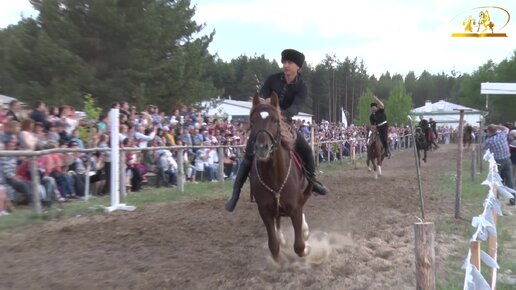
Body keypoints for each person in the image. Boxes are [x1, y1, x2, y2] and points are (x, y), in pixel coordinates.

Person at [225, 48, 328, 212]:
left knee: (306, 150)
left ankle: (313, 181)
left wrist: (281, 115)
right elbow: (262, 98)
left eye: (289, 63)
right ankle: (235, 194)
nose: (286, 66)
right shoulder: (272, 79)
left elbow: (296, 107)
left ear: (298, 67)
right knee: (248, 157)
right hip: (266, 123)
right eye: (284, 62)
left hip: (285, 123)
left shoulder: (302, 87)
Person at [484, 124, 515, 205]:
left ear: (489, 131)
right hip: (507, 160)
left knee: (496, 182)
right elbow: (506, 128)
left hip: (497, 162)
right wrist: (497, 126)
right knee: (510, 181)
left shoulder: (489, 141)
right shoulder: (502, 134)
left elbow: (484, 148)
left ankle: (496, 201)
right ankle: (513, 200)